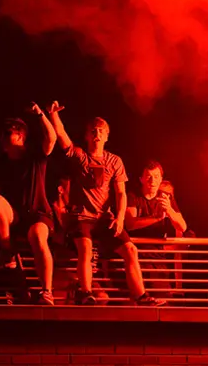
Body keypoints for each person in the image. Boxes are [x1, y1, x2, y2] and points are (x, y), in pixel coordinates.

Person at [49, 102, 164, 306]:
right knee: (85, 246)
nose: (97, 134)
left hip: (104, 218)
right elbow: (62, 138)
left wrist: (120, 218)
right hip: (82, 216)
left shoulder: (115, 161)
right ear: (87, 136)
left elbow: (121, 193)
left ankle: (140, 296)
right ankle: (85, 293)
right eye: (93, 130)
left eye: (102, 131)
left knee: (130, 250)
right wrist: (54, 116)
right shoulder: (79, 156)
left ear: (107, 136)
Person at [0, 104, 57, 305]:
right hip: (15, 216)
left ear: (20, 136)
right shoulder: (1, 163)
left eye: (7, 133)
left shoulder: (34, 156)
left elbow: (51, 139)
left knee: (36, 235)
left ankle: (47, 291)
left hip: (38, 214)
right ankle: (8, 252)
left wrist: (41, 115)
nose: (2, 138)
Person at [125, 161, 188, 299]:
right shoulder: (133, 196)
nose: (152, 180)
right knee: (133, 303)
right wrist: (157, 218)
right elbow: (130, 224)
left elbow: (182, 226)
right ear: (141, 179)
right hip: (135, 258)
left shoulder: (166, 197)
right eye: (148, 176)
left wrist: (169, 210)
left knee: (161, 302)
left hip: (158, 260)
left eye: (156, 176)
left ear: (161, 179)